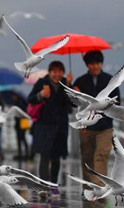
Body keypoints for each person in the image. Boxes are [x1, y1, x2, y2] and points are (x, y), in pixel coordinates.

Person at [72, 50, 118, 185]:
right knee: (87, 158)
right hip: (86, 127)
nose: (95, 66)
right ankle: (87, 187)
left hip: (105, 127)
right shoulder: (80, 81)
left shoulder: (110, 81)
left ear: (101, 63)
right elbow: (72, 104)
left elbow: (117, 102)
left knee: (101, 155)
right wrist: (73, 91)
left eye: (98, 63)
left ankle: (99, 187)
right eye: (92, 63)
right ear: (87, 65)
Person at [28, 61, 73, 194]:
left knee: (56, 156)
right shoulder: (42, 83)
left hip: (60, 125)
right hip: (44, 125)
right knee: (44, 156)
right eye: (54, 71)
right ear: (50, 72)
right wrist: (41, 95)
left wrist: (69, 87)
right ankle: (43, 185)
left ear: (63, 72)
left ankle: (53, 184)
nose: (57, 74)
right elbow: (31, 99)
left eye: (60, 71)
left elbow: (73, 104)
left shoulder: (66, 83)